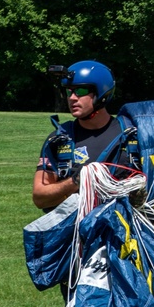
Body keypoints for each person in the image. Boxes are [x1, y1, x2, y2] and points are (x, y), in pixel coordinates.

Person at [33, 60, 123, 212]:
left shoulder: (129, 136)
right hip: (75, 232)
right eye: (69, 91)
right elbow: (40, 198)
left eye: (80, 91)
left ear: (102, 92)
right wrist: (76, 181)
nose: (72, 98)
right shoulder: (60, 140)